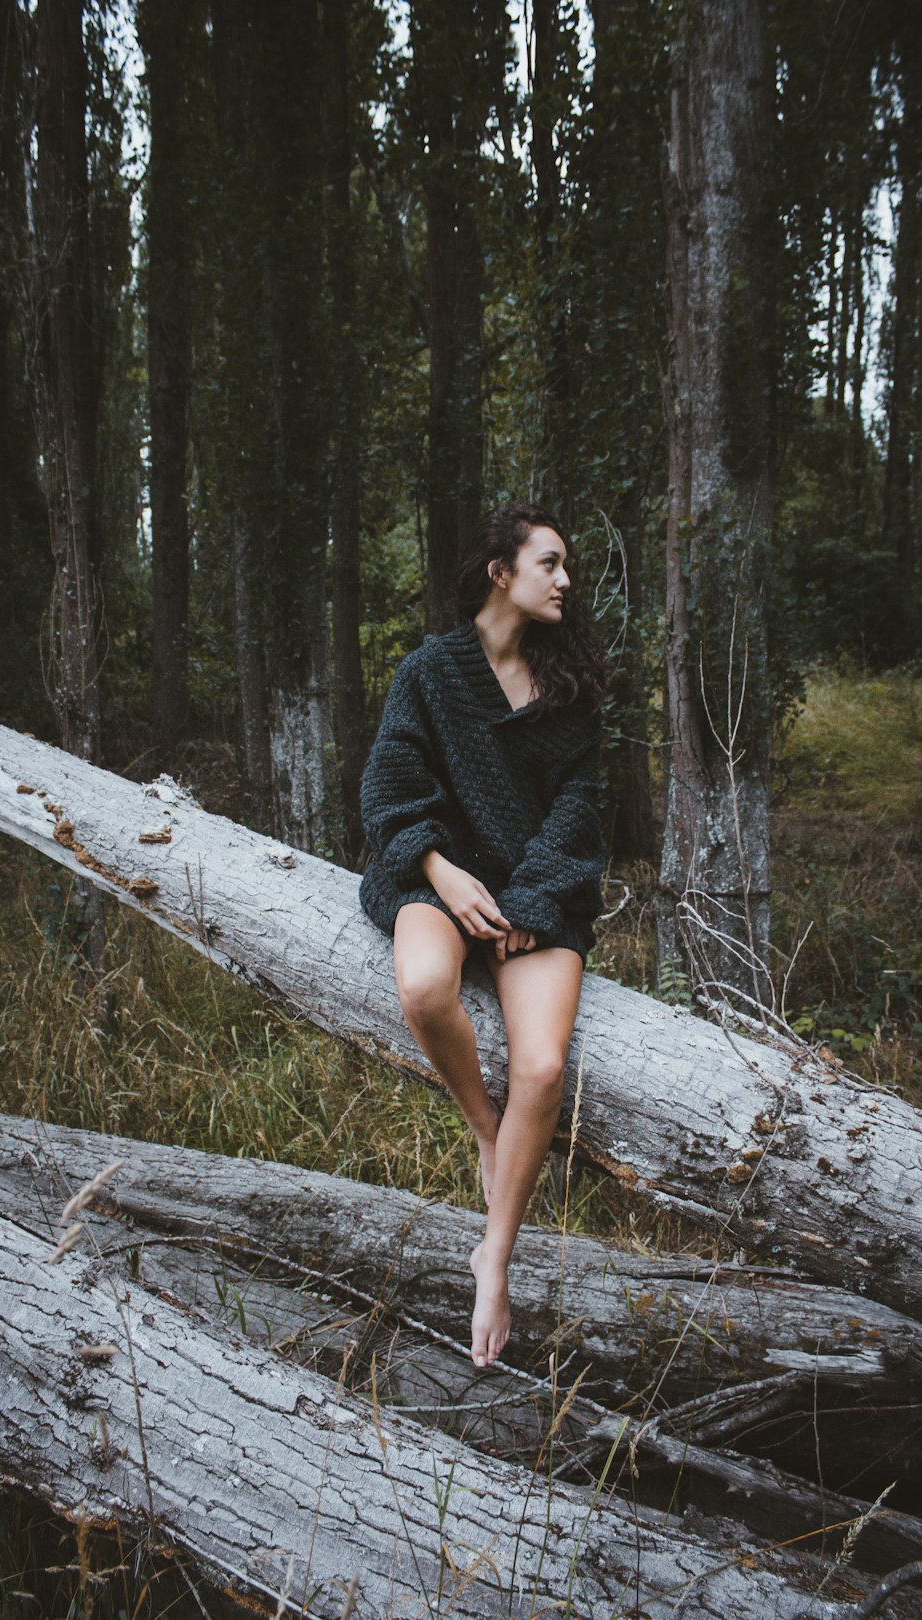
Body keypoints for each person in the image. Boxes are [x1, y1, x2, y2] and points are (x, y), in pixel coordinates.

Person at [359, 501, 606, 1369]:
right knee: (426, 986)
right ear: (502, 572)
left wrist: (531, 903)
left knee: (541, 1066)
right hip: (440, 871)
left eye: (566, 566)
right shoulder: (430, 671)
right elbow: (391, 780)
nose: (565, 580)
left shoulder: (567, 691)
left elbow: (581, 813)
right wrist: (439, 870)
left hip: (540, 896)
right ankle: (484, 1132)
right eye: (551, 563)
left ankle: (492, 1259)